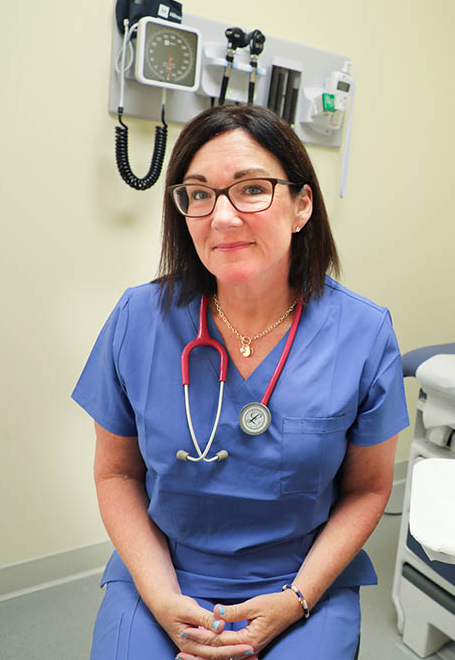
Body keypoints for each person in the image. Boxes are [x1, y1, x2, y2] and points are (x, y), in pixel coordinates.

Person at [73, 105, 409, 659]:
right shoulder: (138, 318)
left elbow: (369, 489)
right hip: (164, 571)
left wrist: (295, 599)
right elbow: (116, 474)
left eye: (251, 189)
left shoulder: (363, 332)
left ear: (302, 205)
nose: (222, 217)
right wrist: (161, 599)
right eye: (199, 194)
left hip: (300, 580)